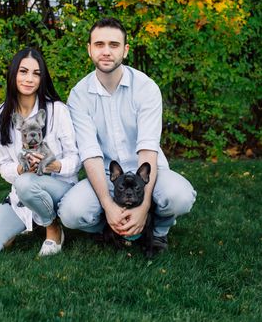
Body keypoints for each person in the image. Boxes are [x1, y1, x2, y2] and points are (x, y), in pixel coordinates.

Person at [58, 17, 197, 253]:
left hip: (148, 172)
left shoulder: (146, 88)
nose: (106, 51)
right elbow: (90, 154)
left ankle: (158, 231)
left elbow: (147, 149)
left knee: (180, 196)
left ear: (125, 50)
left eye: (114, 45)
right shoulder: (79, 95)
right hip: (104, 176)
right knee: (71, 213)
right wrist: (108, 205)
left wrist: (142, 208)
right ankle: (113, 226)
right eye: (99, 44)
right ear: (89, 49)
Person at [0, 48, 80, 258]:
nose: (29, 79)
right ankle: (25, 222)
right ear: (13, 74)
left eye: (36, 73)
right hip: (22, 193)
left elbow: (76, 158)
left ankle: (52, 228)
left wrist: (54, 165)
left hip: (60, 188)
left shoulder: (57, 110)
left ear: (42, 78)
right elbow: (3, 166)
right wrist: (21, 168)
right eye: (23, 71)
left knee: (25, 183)